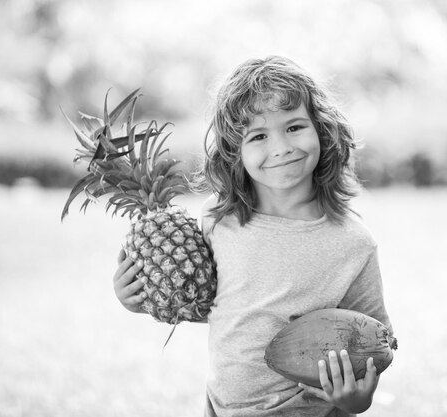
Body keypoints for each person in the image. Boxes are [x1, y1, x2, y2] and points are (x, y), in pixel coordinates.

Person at [113, 56, 395, 416]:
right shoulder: (219, 220)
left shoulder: (353, 244)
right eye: (258, 136)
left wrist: (357, 400)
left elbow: (376, 345)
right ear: (235, 151)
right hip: (223, 407)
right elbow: (230, 312)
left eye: (294, 127)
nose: (280, 148)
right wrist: (138, 299)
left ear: (322, 130)